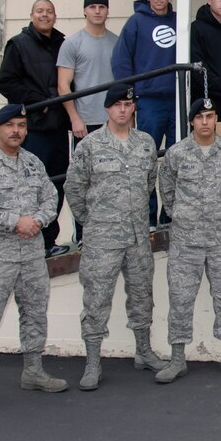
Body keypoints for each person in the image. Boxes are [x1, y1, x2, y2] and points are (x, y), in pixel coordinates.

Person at [0, 104, 68, 412]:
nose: (16, 131)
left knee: (35, 313)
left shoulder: (33, 163)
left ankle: (33, 371)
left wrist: (37, 220)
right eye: (10, 125)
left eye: (21, 125)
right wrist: (15, 221)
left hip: (31, 255)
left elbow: (51, 196)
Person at [64, 84, 168, 391]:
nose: (123, 109)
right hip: (102, 239)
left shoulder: (146, 143)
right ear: (107, 109)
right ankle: (93, 361)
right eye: (117, 105)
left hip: (137, 237)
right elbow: (74, 188)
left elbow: (149, 183)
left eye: (128, 104)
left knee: (141, 296)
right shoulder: (90, 145)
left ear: (134, 108)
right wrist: (92, 221)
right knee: (96, 300)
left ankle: (144, 351)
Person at [155, 98, 221, 383]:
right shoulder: (176, 153)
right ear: (191, 121)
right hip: (185, 240)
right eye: (199, 117)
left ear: (216, 119)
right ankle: (177, 359)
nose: (204, 122)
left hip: (220, 239)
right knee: (180, 298)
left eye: (210, 116)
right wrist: (183, 216)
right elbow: (167, 190)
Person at [0, 0, 70, 257]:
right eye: (40, 11)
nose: (45, 15)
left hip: (60, 127)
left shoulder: (63, 44)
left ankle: (49, 239)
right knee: (33, 186)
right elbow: (6, 83)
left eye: (49, 11)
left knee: (57, 184)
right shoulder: (18, 44)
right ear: (31, 15)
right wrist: (41, 103)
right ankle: (33, 242)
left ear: (55, 16)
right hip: (35, 128)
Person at [110, 0, 178, 225]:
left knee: (174, 162)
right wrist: (130, 98)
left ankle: (168, 216)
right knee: (146, 161)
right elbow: (120, 61)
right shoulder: (136, 22)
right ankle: (148, 218)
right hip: (149, 102)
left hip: (176, 101)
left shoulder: (178, 21)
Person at [57, 0, 119, 246]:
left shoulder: (116, 42)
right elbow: (63, 85)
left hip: (113, 123)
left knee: (112, 178)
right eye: (92, 6)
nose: (97, 11)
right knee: (84, 181)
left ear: (107, 10)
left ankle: (109, 229)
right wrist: (74, 118)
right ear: (84, 10)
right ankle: (82, 233)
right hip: (85, 123)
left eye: (101, 7)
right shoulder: (73, 43)